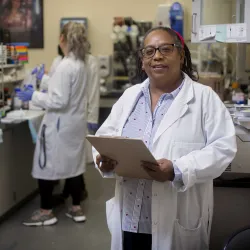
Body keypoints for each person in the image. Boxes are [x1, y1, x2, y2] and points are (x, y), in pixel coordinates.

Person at [92, 27, 237, 250]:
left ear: (181, 55)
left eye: (165, 49)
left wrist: (177, 169)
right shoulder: (130, 97)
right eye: (149, 51)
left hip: (176, 222)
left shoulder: (203, 98)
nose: (157, 56)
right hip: (128, 219)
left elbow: (223, 149)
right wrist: (103, 158)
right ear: (142, 62)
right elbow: (104, 136)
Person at [18, 21, 90, 226]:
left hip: (59, 126)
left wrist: (33, 95)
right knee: (74, 167)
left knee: (46, 168)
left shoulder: (66, 65)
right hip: (74, 125)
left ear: (62, 39)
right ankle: (76, 209)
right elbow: (66, 88)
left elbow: (59, 100)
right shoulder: (80, 63)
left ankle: (45, 211)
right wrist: (47, 78)